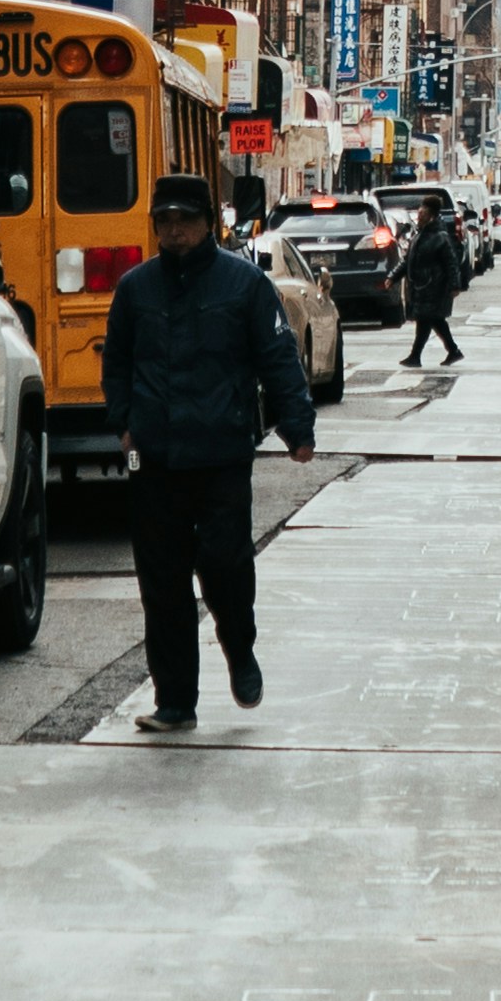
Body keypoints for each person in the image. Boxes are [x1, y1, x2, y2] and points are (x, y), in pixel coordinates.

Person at [102, 169, 316, 735]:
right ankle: (175, 700)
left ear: (208, 224)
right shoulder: (135, 289)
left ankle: (239, 651)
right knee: (163, 583)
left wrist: (298, 428)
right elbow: (116, 362)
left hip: (221, 454)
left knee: (225, 567)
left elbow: (278, 357)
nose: (174, 232)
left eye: (185, 220)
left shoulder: (243, 285)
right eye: (164, 221)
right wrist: (123, 423)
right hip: (154, 461)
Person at [401, 196, 465, 369]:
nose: (418, 216)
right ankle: (453, 351)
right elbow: (407, 261)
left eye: (422, 213)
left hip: (435, 286)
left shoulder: (440, 237)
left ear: (430, 215)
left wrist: (454, 285)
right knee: (435, 320)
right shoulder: (419, 235)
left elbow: (451, 263)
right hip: (422, 286)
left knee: (426, 320)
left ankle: (415, 356)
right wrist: (392, 277)